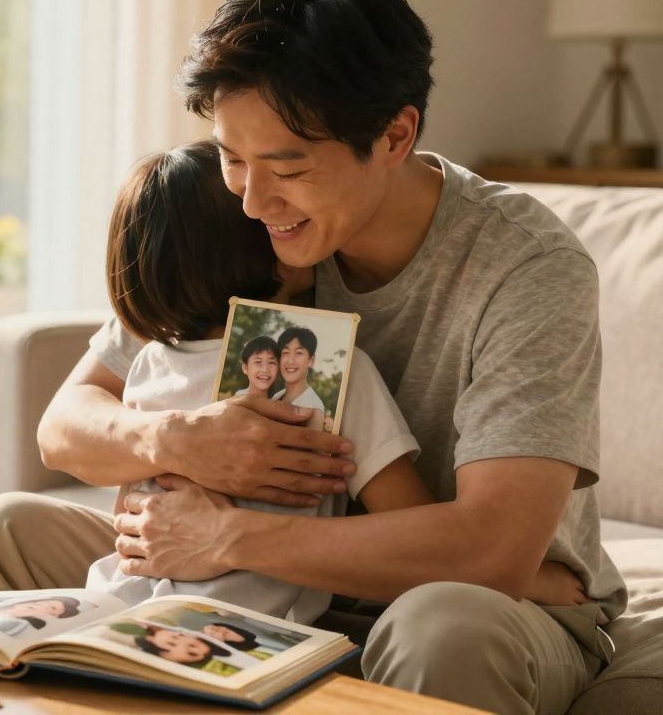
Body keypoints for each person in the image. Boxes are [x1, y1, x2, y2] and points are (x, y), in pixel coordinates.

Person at [0, 0, 625, 711]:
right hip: (252, 584)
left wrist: (229, 537)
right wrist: (178, 440)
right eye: (231, 156)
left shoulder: (525, 267)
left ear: (395, 136)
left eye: (289, 167)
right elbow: (67, 423)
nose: (253, 200)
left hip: (471, 601)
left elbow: (489, 554)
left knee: (441, 627)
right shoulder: (243, 219)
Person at [83, 141, 582, 620]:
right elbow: (404, 511)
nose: (259, 204)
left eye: (285, 171)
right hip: (250, 625)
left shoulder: (152, 360)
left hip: (127, 598)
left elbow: (128, 510)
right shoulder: (322, 361)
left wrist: (214, 522)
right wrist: (532, 579)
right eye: (236, 168)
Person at [272, 327, 325, 415]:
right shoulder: (277, 397)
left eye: (299, 353)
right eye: (285, 352)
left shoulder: (314, 408)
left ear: (311, 361)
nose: (290, 361)